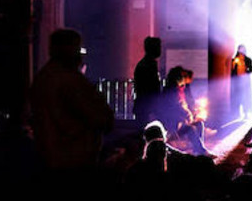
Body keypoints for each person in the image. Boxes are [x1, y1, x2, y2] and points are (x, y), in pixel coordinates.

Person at [30, 29, 114, 195]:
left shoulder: (42, 78)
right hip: (74, 162)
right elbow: (98, 116)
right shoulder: (70, 81)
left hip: (49, 161)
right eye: (78, 49)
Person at [133, 36, 162, 127]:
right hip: (147, 108)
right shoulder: (148, 66)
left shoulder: (145, 64)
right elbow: (150, 89)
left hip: (144, 107)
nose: (160, 50)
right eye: (158, 47)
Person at [230, 44, 252, 119]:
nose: (241, 51)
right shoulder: (234, 60)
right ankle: (236, 113)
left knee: (245, 97)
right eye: (240, 49)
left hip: (245, 80)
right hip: (237, 80)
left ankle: (246, 112)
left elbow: (251, 69)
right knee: (237, 97)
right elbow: (232, 71)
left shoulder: (248, 60)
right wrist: (233, 66)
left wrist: (247, 69)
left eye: (242, 49)